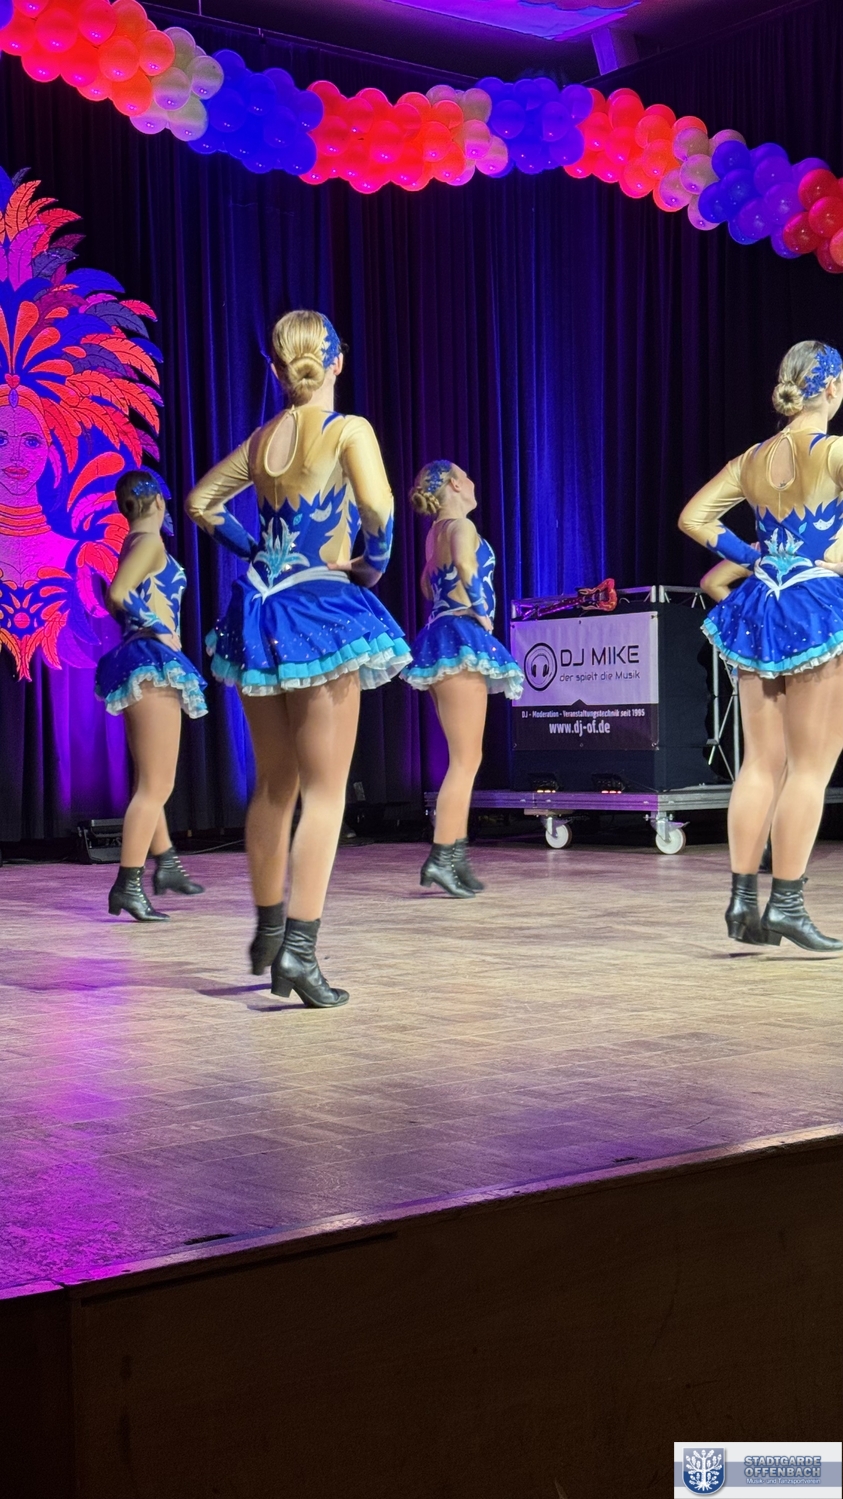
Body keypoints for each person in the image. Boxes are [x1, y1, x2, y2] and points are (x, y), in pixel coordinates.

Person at [186, 310, 410, 1007]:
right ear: (336, 360)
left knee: (274, 784)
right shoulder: (349, 430)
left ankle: (269, 926)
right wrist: (371, 567)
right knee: (325, 791)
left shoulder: (261, 440)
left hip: (259, 608)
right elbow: (378, 512)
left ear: (277, 369)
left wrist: (255, 550)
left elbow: (201, 503)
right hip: (319, 607)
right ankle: (300, 952)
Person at [679, 340, 843, 952]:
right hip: (817, 604)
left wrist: (755, 558)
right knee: (810, 766)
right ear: (831, 388)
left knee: (760, 762)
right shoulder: (833, 451)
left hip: (762, 605)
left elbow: (695, 518)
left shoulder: (751, 458)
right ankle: (788, 905)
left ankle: (743, 902)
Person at [403, 461, 524, 897]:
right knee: (466, 760)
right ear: (455, 484)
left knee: (466, 757)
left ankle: (456, 855)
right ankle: (442, 857)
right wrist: (482, 611)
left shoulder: (434, 533)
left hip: (440, 636)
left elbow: (426, 584)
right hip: (460, 635)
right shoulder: (460, 527)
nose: (473, 481)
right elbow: (467, 567)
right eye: (467, 476)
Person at [96, 470, 207, 921]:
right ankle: (127, 885)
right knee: (157, 784)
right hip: (151, 661)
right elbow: (118, 592)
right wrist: (160, 628)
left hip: (138, 658)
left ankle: (167, 864)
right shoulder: (148, 543)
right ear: (159, 502)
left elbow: (117, 599)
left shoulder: (133, 543)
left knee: (148, 780)